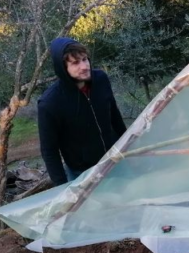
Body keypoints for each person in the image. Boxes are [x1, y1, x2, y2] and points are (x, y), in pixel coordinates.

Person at [38, 37, 127, 185]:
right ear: (62, 67)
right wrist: (62, 189)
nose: (84, 66)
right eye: (75, 62)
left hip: (116, 161)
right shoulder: (50, 103)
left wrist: (128, 147)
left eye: (85, 59)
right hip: (84, 174)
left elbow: (115, 117)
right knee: (100, 208)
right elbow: (49, 151)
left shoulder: (101, 80)